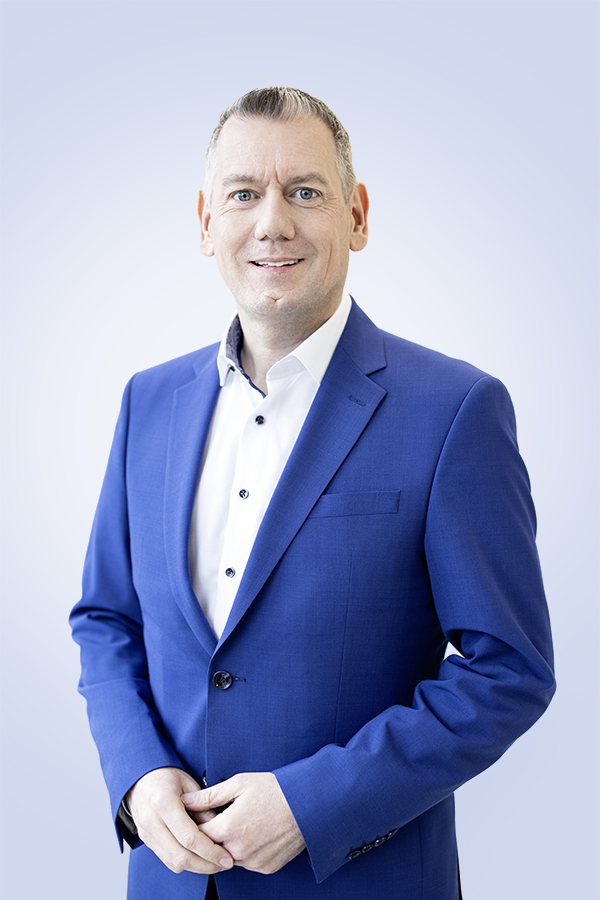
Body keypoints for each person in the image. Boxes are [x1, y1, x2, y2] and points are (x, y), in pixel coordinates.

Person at [70, 87, 555, 900]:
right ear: (205, 222)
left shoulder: (454, 410)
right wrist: (138, 775)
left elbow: (509, 670)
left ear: (356, 216)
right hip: (170, 880)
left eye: (304, 191)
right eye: (242, 194)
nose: (272, 223)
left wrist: (314, 803)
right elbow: (106, 620)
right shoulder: (147, 402)